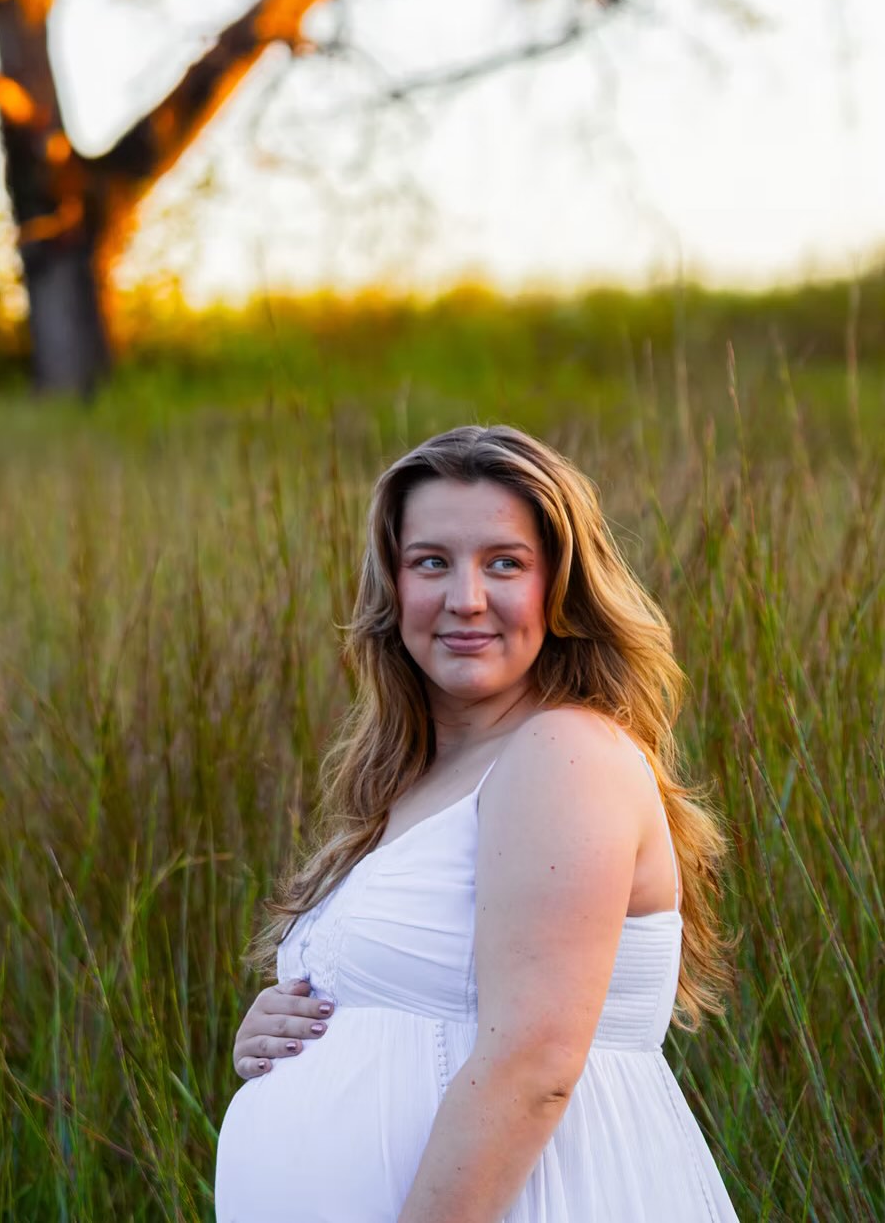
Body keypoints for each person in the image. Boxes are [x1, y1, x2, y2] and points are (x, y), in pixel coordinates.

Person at [215, 424, 739, 1222]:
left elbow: (534, 1068)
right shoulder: (416, 777)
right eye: (432, 561)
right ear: (393, 587)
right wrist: (292, 1026)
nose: (465, 597)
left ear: (559, 587)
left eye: (504, 563)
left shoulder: (563, 752)